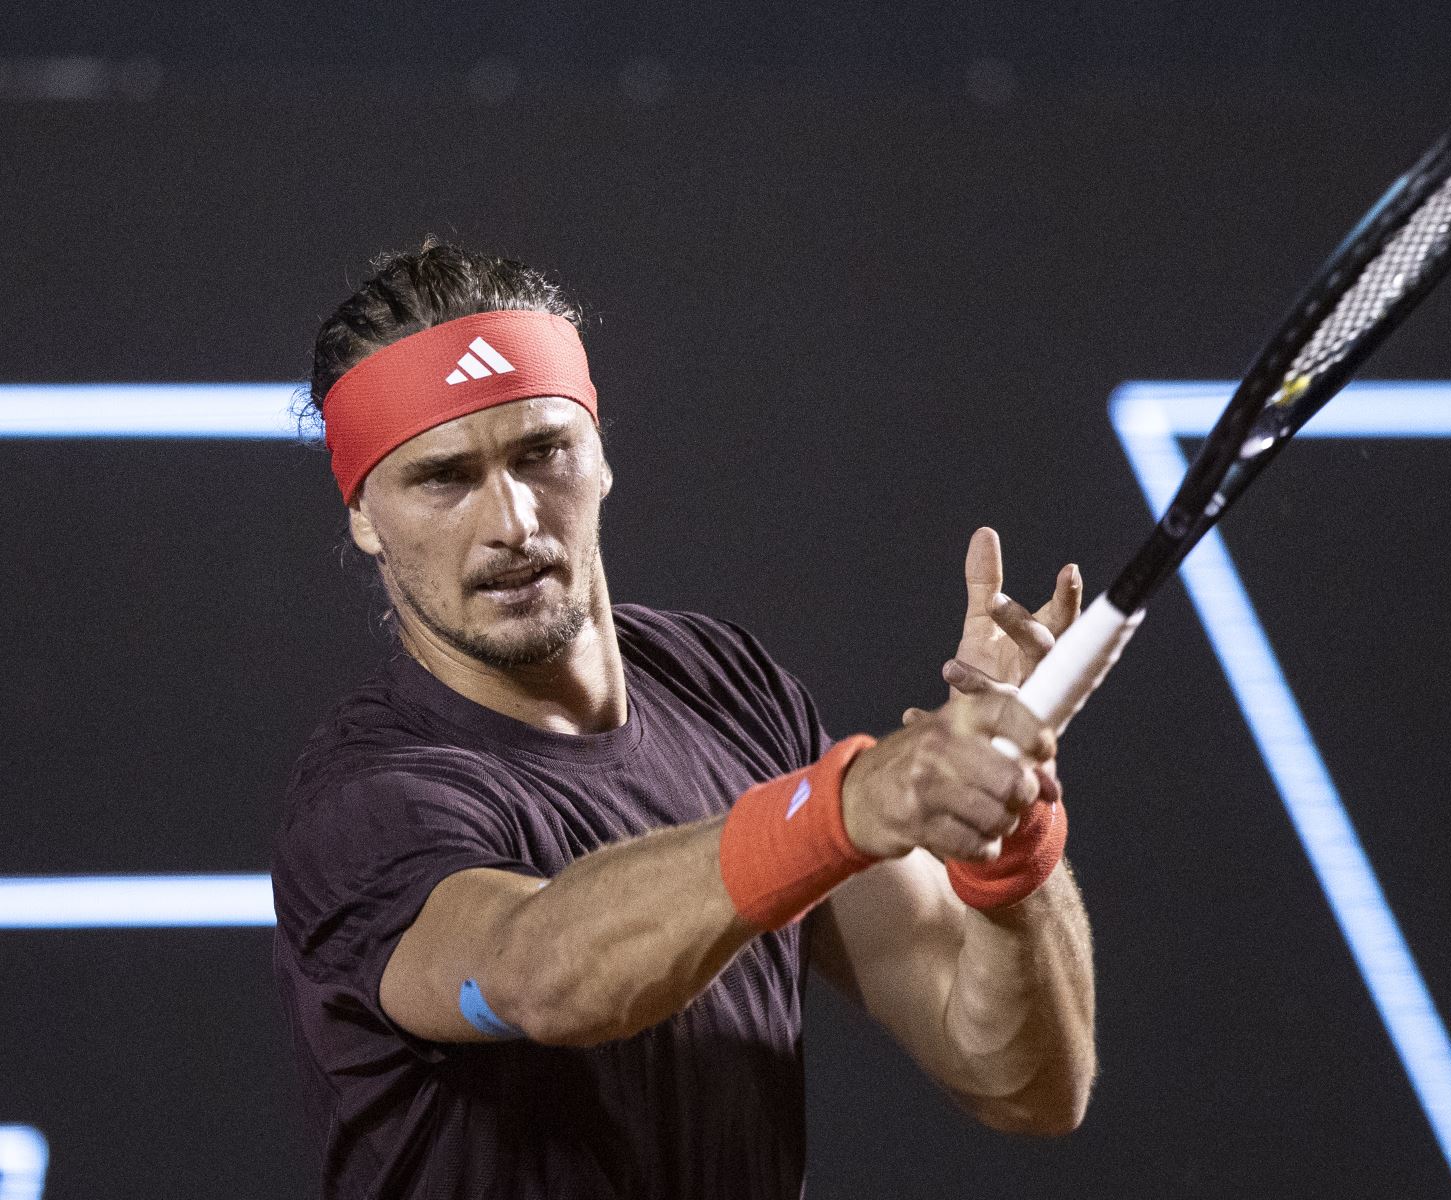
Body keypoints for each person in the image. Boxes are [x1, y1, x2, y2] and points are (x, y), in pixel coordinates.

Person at [272, 243, 1100, 1200]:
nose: (512, 522)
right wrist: (838, 808)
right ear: (366, 516)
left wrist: (1005, 841)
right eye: (445, 479)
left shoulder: (727, 691)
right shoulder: (369, 800)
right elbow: (537, 973)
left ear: (599, 456)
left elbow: (1025, 1084)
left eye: (542, 453)